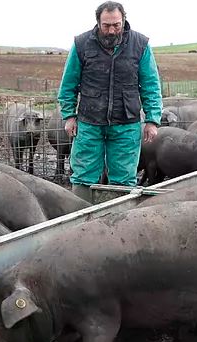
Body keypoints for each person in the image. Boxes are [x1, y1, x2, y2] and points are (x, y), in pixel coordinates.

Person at [57, 1, 162, 201]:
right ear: (98, 22)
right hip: (89, 123)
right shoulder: (81, 44)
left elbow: (150, 84)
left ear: (123, 20)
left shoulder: (140, 45)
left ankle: (118, 221)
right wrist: (69, 115)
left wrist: (152, 119)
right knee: (83, 176)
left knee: (124, 179)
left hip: (126, 123)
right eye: (106, 25)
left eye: (117, 25)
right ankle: (81, 218)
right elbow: (68, 83)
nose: (112, 30)